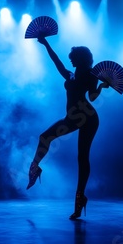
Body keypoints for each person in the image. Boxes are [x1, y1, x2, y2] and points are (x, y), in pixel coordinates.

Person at [26, 36, 109, 220]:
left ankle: (79, 199)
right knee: (45, 137)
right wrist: (46, 43)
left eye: (73, 57)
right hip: (73, 118)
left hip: (88, 118)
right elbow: (57, 62)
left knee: (82, 157)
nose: (70, 59)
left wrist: (102, 85)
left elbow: (93, 97)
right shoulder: (71, 75)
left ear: (80, 59)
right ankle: (35, 167)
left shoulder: (90, 75)